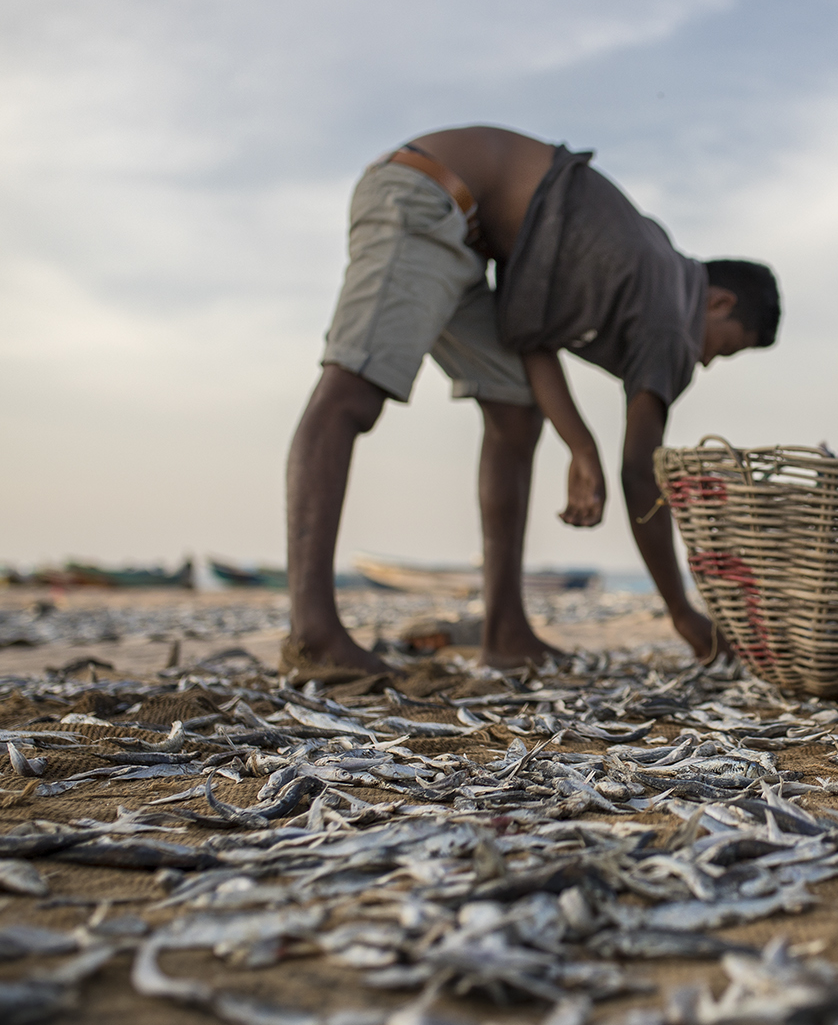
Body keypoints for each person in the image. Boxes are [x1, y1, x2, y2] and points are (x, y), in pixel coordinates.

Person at [285, 126, 780, 671]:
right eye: (724, 349)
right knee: (351, 392)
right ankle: (314, 632)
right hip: (426, 193)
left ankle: (506, 631)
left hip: (465, 240)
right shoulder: (670, 315)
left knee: (515, 410)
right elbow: (642, 472)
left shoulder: (646, 267)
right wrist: (682, 613)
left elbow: (530, 338)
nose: (706, 362)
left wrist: (579, 445)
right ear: (717, 301)